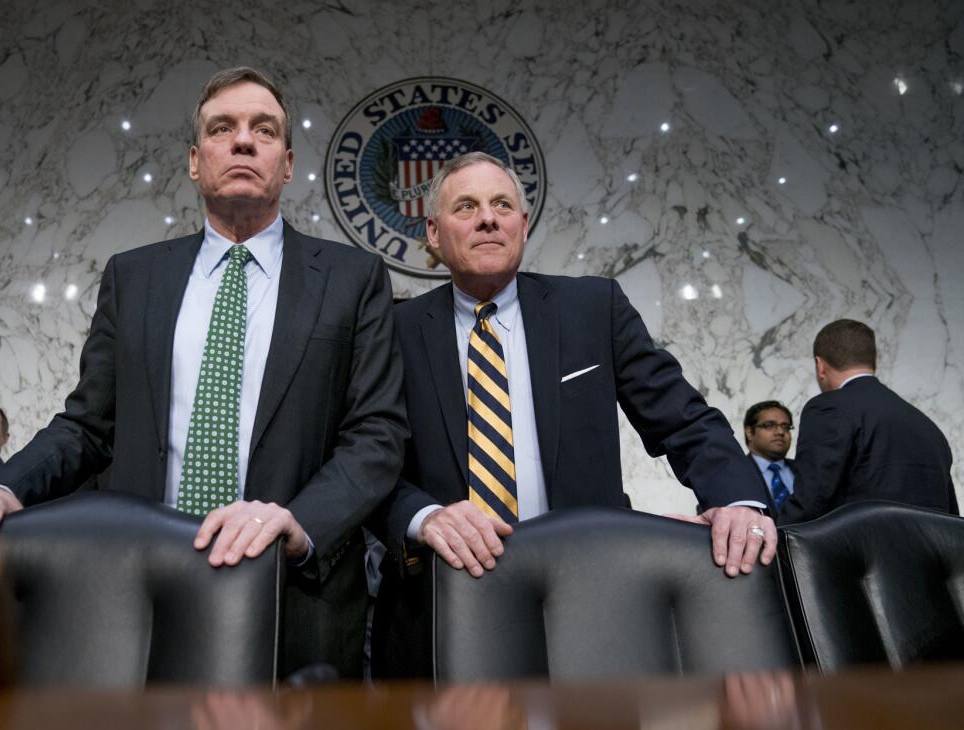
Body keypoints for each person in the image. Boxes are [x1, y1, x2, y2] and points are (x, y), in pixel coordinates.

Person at [0, 66, 407, 679]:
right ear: (195, 162)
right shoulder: (134, 276)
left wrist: (300, 524)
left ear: (286, 164)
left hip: (294, 592)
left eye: (265, 129)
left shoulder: (353, 277)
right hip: (139, 594)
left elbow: (377, 435)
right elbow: (88, 426)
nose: (244, 140)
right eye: (222, 128)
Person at [371, 152, 775, 677]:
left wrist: (736, 499)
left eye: (502, 204)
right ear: (432, 231)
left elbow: (684, 418)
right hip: (446, 603)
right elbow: (372, 462)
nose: (488, 218)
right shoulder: (395, 331)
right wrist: (425, 517)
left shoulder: (592, 309)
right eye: (466, 207)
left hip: (594, 599)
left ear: (522, 223)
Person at [779, 319, 957, 523]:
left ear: (820, 366)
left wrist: (771, 542)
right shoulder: (927, 427)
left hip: (859, 553)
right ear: (875, 361)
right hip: (930, 554)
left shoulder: (829, 407)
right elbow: (950, 517)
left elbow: (812, 499)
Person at [742, 400, 796, 515]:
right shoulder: (732, 473)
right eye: (770, 425)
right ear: (750, 432)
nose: (781, 432)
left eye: (785, 427)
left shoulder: (805, 469)